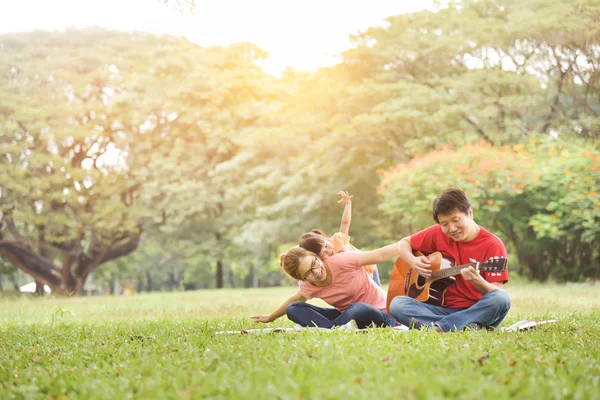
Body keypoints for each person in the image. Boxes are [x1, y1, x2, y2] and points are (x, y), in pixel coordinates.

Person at [388, 188, 511, 332]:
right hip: (440, 309)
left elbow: (497, 292)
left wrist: (477, 280)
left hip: (476, 310)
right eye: (444, 224)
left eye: (456, 220)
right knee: (397, 304)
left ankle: (439, 328)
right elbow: (403, 243)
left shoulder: (492, 245)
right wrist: (413, 261)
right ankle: (465, 326)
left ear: (470, 213)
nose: (452, 228)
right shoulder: (436, 233)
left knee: (502, 299)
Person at [250, 240, 401, 329]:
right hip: (346, 316)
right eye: (308, 273)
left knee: (357, 307)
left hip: (382, 315)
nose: (316, 272)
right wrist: (271, 317)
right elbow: (295, 301)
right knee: (293, 309)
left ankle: (331, 328)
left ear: (316, 256)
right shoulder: (308, 285)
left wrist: (406, 243)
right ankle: (336, 328)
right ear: (302, 279)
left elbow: (380, 255)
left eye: (314, 263)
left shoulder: (342, 260)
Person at [299, 190, 381, 286]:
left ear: (324, 238)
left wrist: (348, 204)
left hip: (368, 266)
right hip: (357, 277)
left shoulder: (337, 240)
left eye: (326, 246)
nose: (328, 251)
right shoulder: (322, 264)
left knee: (378, 294)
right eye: (322, 253)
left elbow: (345, 223)